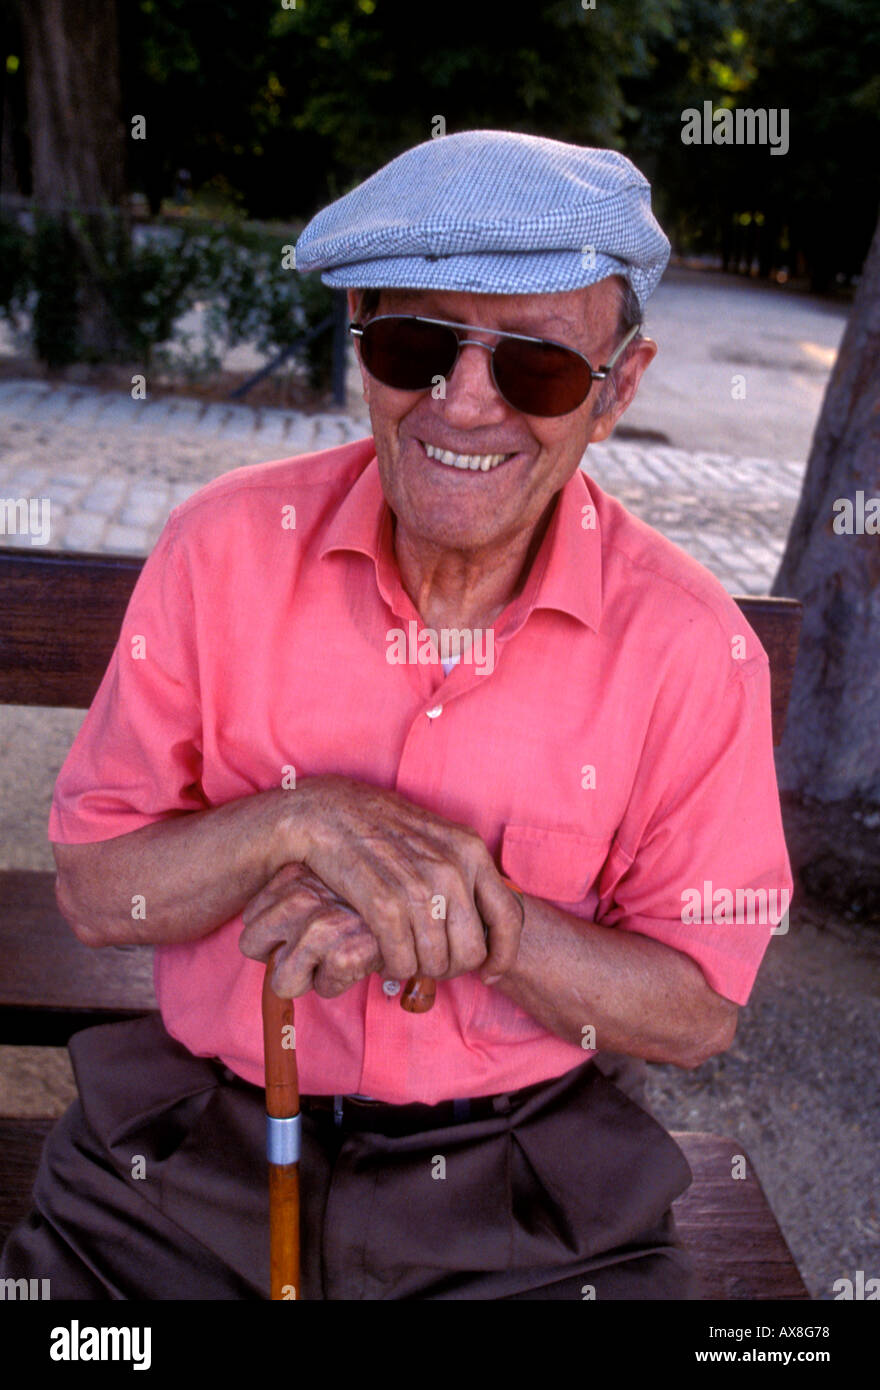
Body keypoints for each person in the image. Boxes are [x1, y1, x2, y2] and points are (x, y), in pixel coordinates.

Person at [1, 130, 792, 1300]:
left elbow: (695, 1010)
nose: (462, 405)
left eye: (537, 367)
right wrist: (302, 821)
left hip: (518, 1189)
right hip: (181, 1160)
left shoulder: (687, 644)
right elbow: (94, 887)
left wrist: (480, 921)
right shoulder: (221, 548)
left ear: (618, 387)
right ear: (359, 342)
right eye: (415, 345)